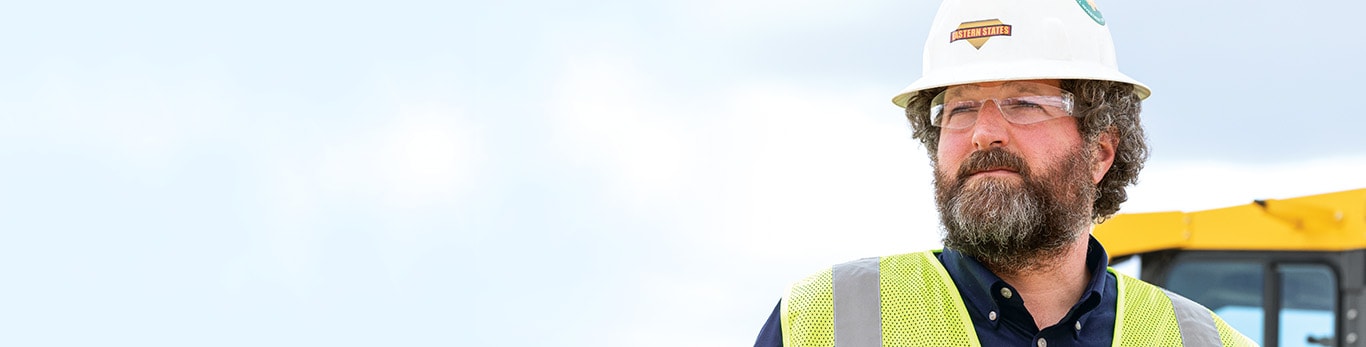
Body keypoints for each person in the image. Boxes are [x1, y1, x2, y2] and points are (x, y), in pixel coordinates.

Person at [754, 0, 1256, 346]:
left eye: (1023, 103)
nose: (984, 132)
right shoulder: (824, 321)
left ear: (1100, 152)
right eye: (960, 109)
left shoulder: (1203, 340)